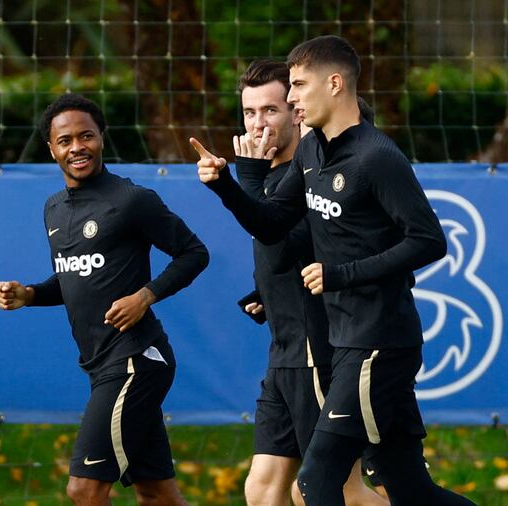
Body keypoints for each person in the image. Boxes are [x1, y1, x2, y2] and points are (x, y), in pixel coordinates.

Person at [190, 36, 475, 505]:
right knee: (409, 489)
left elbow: (429, 241)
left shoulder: (376, 157)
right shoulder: (313, 152)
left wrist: (341, 274)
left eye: (298, 85)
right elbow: (271, 223)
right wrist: (226, 183)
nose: (294, 96)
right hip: (348, 341)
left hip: (378, 344)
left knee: (316, 482)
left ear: (335, 83)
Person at [0, 94, 208, 506]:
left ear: (101, 139)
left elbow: (194, 252)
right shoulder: (54, 209)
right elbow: (75, 279)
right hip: (103, 365)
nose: (77, 147)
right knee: (157, 493)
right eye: (66, 140)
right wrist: (30, 294)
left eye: (86, 136)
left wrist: (145, 297)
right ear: (52, 149)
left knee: (85, 489)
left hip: (134, 361)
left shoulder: (131, 200)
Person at [229, 59, 387, 506]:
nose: (258, 125)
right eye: (249, 113)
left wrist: (249, 179)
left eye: (270, 110)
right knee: (262, 491)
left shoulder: (307, 176)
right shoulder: (275, 178)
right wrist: (266, 294)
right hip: (283, 354)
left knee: (334, 491)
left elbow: (284, 239)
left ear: (296, 111)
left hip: (318, 352)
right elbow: (287, 256)